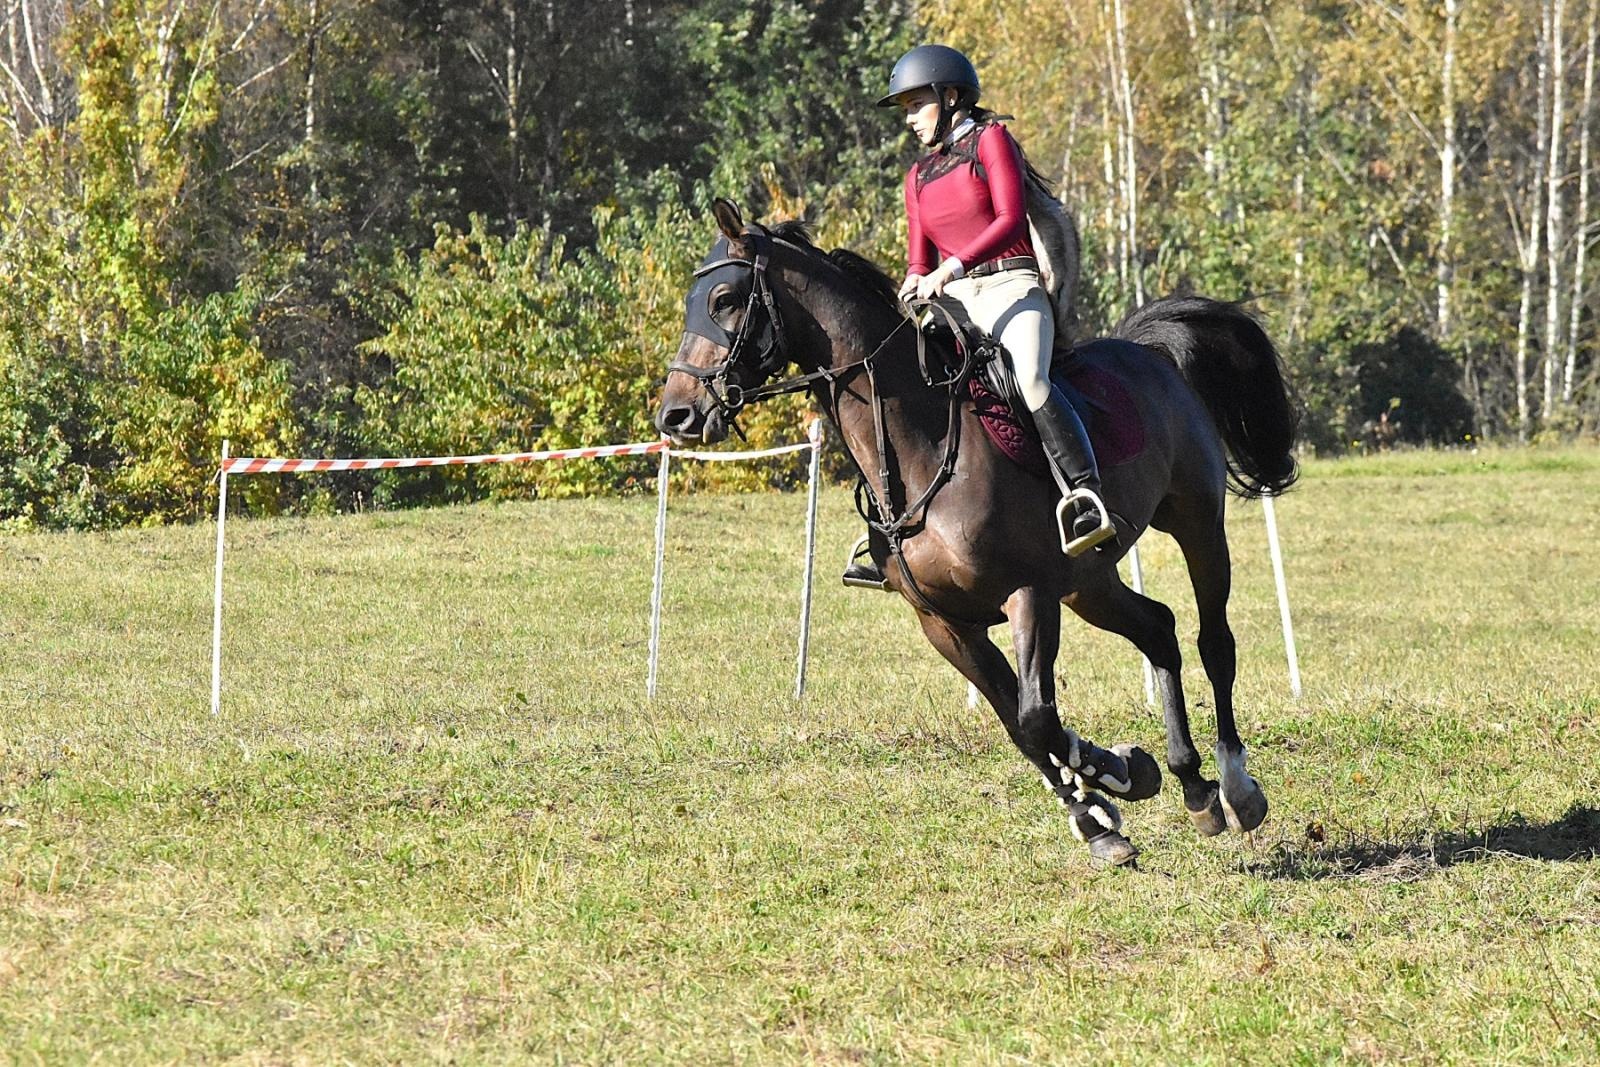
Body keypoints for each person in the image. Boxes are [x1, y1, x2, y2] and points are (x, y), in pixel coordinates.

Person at [843, 44, 1113, 590]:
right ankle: (895, 530)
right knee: (908, 385)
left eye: (916, 105)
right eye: (905, 110)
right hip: (956, 301)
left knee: (1031, 379)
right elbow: (920, 255)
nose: (910, 119)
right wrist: (918, 277)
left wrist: (953, 267)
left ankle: (1084, 496)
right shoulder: (916, 177)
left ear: (949, 97)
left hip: (1014, 286)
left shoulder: (991, 141)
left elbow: (1012, 220)